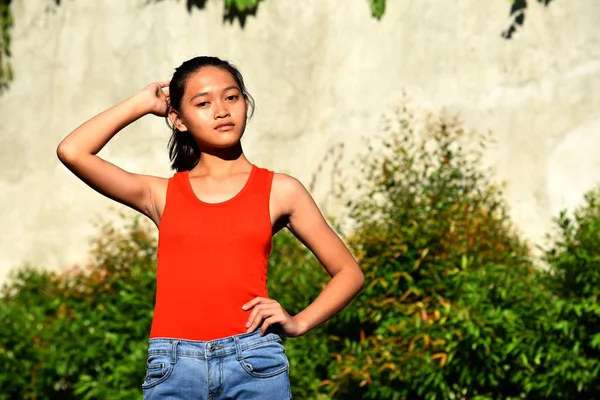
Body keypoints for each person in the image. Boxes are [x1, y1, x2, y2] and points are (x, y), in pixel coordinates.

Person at [56, 56, 364, 399]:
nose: (221, 110)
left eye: (231, 97)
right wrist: (142, 103)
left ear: (245, 103)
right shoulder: (162, 194)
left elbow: (348, 272)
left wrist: (299, 322)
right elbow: (73, 151)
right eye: (203, 103)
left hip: (254, 362)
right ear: (178, 119)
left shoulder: (281, 190)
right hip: (173, 367)